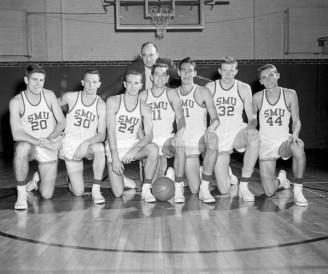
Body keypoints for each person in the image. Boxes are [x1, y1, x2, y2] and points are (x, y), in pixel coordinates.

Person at [9, 64, 66, 209]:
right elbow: (17, 134)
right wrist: (44, 143)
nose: (38, 84)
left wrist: (50, 139)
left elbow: (61, 122)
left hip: (49, 143)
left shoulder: (49, 95)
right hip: (31, 145)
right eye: (34, 79)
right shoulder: (16, 102)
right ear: (26, 80)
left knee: (47, 195)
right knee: (21, 148)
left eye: (41, 80)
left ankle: (36, 179)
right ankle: (21, 193)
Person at [205, 57, 260, 201]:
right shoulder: (211, 87)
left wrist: (251, 126)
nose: (228, 74)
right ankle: (227, 174)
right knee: (224, 190)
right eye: (225, 71)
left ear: (236, 71)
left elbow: (252, 116)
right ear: (219, 71)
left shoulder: (243, 87)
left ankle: (244, 186)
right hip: (219, 138)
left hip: (237, 134)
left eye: (231, 71)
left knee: (254, 137)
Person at [252, 64, 308, 207]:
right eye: (264, 77)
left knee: (298, 146)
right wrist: (250, 129)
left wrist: (295, 134)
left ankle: (298, 191)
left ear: (277, 75)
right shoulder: (257, 97)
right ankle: (281, 180)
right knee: (269, 192)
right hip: (265, 145)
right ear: (261, 82)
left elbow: (296, 120)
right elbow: (253, 119)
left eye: (271, 75)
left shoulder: (290, 94)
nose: (268, 79)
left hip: (283, 142)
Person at [105, 70, 159, 202]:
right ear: (124, 84)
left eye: (136, 83)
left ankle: (146, 189)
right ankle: (121, 177)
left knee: (153, 148)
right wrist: (115, 157)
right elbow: (110, 131)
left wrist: (135, 149)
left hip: (131, 146)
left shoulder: (145, 107)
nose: (133, 86)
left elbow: (149, 135)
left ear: (141, 85)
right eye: (130, 83)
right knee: (118, 193)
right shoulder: (113, 101)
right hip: (114, 147)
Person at [54, 68, 106, 204]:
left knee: (100, 149)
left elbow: (102, 134)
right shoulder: (70, 97)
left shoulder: (101, 105)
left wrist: (87, 142)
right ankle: (70, 179)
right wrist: (56, 129)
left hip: (88, 144)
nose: (90, 85)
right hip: (71, 144)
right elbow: (50, 107)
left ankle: (96, 189)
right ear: (83, 82)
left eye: (94, 82)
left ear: (99, 84)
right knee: (78, 192)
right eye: (88, 81)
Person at [139, 63, 186, 203]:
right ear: (151, 77)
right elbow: (136, 124)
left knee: (180, 146)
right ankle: (157, 180)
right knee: (156, 187)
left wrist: (178, 136)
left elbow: (181, 119)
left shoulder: (171, 93)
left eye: (163, 75)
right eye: (157, 74)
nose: (160, 78)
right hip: (150, 141)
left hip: (166, 140)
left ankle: (178, 187)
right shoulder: (142, 95)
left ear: (167, 79)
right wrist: (142, 143)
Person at [98, 42, 211, 100]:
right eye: (145, 55)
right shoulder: (133, 68)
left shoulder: (166, 64)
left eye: (151, 55)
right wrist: (99, 98)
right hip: (142, 102)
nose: (148, 59)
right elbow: (118, 85)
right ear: (141, 56)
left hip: (162, 102)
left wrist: (212, 84)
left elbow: (186, 76)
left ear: (157, 55)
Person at [177, 57, 220, 203]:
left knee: (213, 141)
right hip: (183, 144)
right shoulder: (172, 93)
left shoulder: (203, 91)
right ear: (178, 72)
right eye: (183, 70)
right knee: (193, 188)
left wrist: (210, 129)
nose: (187, 74)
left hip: (199, 140)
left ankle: (206, 187)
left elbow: (215, 118)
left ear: (195, 73)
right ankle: (189, 176)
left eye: (190, 71)